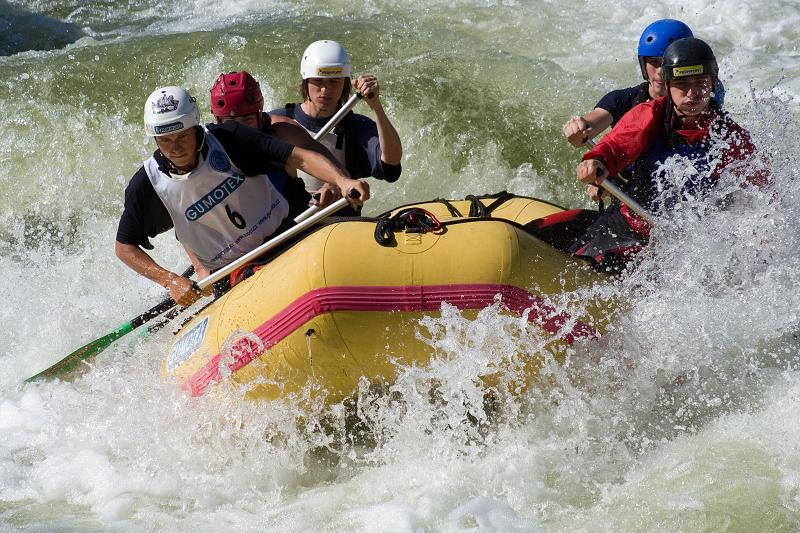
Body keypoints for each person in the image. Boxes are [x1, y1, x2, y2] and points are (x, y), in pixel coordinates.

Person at [115, 86, 370, 306]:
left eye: (182, 136)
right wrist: (170, 280)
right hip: (230, 274)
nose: (176, 147)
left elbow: (298, 157)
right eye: (166, 140)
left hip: (284, 238)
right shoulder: (148, 184)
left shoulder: (229, 139)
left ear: (195, 128)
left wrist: (341, 180)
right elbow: (124, 246)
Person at [570, 37, 765, 274]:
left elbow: (759, 192)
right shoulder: (649, 114)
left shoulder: (731, 137)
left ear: (713, 83)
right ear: (669, 85)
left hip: (684, 247)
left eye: (701, 82)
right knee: (576, 265)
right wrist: (597, 161)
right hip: (628, 227)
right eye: (682, 84)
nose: (692, 93)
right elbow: (616, 145)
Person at [563, 19, 695, 202]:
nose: (660, 72)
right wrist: (578, 127)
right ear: (643, 64)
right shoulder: (623, 100)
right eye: (654, 63)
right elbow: (590, 124)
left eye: (667, 64)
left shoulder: (695, 106)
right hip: (628, 198)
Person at [270, 40, 403, 205]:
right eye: (318, 81)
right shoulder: (279, 122)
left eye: (334, 81)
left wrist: (376, 105)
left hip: (339, 220)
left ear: (345, 84)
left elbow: (391, 164)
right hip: (294, 224)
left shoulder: (356, 126)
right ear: (306, 80)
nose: (325, 90)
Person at [209, 70, 344, 207]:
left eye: (247, 120)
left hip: (293, 219)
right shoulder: (206, 146)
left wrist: (333, 183)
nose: (240, 130)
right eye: (230, 123)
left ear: (259, 113)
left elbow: (338, 169)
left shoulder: (282, 130)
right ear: (217, 121)